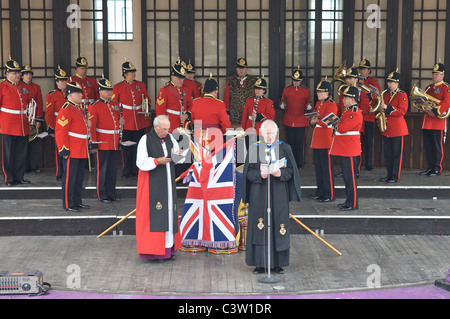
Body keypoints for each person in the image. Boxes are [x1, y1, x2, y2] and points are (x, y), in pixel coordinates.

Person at [243, 119, 302, 275]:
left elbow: (292, 171)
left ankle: (278, 264)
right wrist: (259, 174)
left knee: (278, 224)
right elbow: (248, 173)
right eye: (266, 133)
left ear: (276, 133)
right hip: (259, 192)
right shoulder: (254, 149)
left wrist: (281, 173)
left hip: (279, 192)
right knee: (259, 225)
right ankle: (259, 263)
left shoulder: (284, 148)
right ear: (261, 134)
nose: (269, 136)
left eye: (272, 133)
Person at [135, 115, 185, 261]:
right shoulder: (145, 139)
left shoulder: (170, 137)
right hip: (152, 182)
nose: (166, 132)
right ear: (156, 127)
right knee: (156, 213)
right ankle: (154, 252)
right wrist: (157, 161)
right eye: (164, 129)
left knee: (168, 211)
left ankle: (168, 249)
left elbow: (176, 156)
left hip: (168, 180)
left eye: (168, 129)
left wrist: (179, 154)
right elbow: (141, 161)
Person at [112, 60, 151, 178]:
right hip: (126, 121)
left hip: (139, 120)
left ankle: (136, 169)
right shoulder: (118, 86)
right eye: (130, 72)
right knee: (126, 147)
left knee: (138, 147)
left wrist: (147, 106)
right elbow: (114, 105)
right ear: (124, 73)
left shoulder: (141, 85)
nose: (133, 74)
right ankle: (126, 170)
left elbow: (147, 99)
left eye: (134, 71)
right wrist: (119, 118)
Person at [55, 81, 90, 212]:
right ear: (70, 94)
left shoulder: (77, 108)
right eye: (78, 93)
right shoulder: (66, 109)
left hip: (80, 148)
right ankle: (69, 203)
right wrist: (63, 149)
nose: (81, 95)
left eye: (81, 92)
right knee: (70, 178)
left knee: (79, 177)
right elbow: (61, 131)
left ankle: (77, 201)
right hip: (72, 149)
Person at [89, 76, 125, 202]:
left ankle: (111, 192)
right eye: (107, 90)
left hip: (114, 142)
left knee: (112, 169)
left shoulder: (115, 105)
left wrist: (122, 122)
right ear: (100, 91)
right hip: (102, 142)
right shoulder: (94, 106)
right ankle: (102, 194)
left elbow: (116, 122)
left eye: (110, 89)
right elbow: (92, 126)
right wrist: (94, 142)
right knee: (102, 170)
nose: (110, 92)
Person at [330, 86, 363, 211]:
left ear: (352, 99)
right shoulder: (347, 111)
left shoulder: (353, 112)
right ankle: (349, 201)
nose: (343, 99)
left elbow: (342, 128)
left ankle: (353, 203)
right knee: (347, 177)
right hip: (345, 148)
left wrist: (335, 124)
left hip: (349, 149)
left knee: (350, 178)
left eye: (345, 97)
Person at [0, 57, 31, 186]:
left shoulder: (23, 87)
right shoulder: (2, 86)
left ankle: (19, 176)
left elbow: (28, 104)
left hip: (22, 125)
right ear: (7, 74)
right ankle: (9, 178)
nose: (17, 75)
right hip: (8, 125)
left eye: (18, 72)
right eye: (14, 73)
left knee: (20, 154)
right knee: (8, 154)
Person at [309, 77, 338, 202]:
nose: (318, 94)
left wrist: (316, 121)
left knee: (327, 169)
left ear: (328, 93)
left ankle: (329, 193)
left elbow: (329, 120)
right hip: (317, 139)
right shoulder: (318, 104)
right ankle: (320, 191)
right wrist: (312, 121)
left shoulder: (332, 104)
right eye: (317, 92)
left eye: (321, 91)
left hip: (326, 140)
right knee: (319, 168)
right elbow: (315, 120)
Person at [420, 61, 450, 177]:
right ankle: (430, 167)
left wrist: (434, 112)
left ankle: (437, 168)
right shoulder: (428, 88)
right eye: (433, 73)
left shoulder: (446, 88)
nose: (434, 76)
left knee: (437, 146)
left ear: (443, 75)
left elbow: (447, 103)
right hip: (427, 121)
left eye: (437, 74)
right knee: (428, 146)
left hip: (438, 122)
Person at [379, 69, 409, 183]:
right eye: (388, 82)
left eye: (391, 82)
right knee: (388, 154)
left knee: (397, 154)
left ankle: (395, 176)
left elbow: (402, 111)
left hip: (397, 129)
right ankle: (389, 174)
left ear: (397, 83)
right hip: (386, 128)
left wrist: (387, 108)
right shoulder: (385, 94)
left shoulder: (402, 95)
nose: (389, 84)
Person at [280, 66, 313, 168]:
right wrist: (281, 105)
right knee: (290, 143)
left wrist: (309, 106)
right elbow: (282, 101)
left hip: (301, 120)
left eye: (298, 81)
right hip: (289, 119)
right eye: (294, 80)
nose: (296, 82)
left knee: (300, 143)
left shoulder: (306, 91)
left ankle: (299, 162)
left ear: (301, 80)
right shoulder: (286, 90)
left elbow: (310, 103)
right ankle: (290, 162)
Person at [188, 75, 231, 147]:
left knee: (200, 157)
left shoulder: (195, 102)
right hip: (215, 138)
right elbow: (226, 124)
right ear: (215, 91)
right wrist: (219, 132)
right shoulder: (219, 104)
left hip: (199, 138)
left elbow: (193, 120)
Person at [45, 66, 69, 181]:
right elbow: (49, 113)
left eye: (65, 80)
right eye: (61, 80)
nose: (64, 82)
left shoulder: (70, 94)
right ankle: (60, 173)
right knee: (60, 149)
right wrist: (50, 127)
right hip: (58, 126)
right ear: (57, 82)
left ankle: (67, 171)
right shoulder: (52, 95)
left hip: (70, 126)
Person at [358, 59, 381, 171]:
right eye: (361, 69)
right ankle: (357, 163)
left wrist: (369, 93)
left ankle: (368, 164)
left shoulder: (373, 81)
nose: (362, 71)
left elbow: (377, 95)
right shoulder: (355, 80)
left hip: (368, 116)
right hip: (358, 116)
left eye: (364, 69)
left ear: (369, 70)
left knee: (368, 141)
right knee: (357, 141)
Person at [155, 62, 190, 132]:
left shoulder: (185, 89)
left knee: (184, 143)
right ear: (173, 77)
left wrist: (187, 115)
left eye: (183, 78)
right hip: (171, 127)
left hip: (184, 126)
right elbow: (160, 112)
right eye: (180, 78)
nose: (182, 80)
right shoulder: (165, 90)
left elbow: (191, 106)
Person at [21, 65, 43, 173]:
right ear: (22, 76)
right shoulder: (19, 86)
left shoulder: (36, 87)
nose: (28, 76)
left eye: (30, 74)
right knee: (23, 144)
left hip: (33, 119)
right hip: (23, 119)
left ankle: (33, 166)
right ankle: (24, 167)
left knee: (33, 143)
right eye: (26, 74)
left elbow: (39, 103)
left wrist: (38, 119)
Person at [223, 58, 258, 125]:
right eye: (239, 68)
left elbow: (256, 96)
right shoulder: (230, 80)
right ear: (236, 68)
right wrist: (227, 114)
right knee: (235, 133)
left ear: (246, 68)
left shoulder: (254, 80)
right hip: (234, 114)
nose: (241, 70)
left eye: (243, 68)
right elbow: (226, 98)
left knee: (249, 132)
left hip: (249, 113)